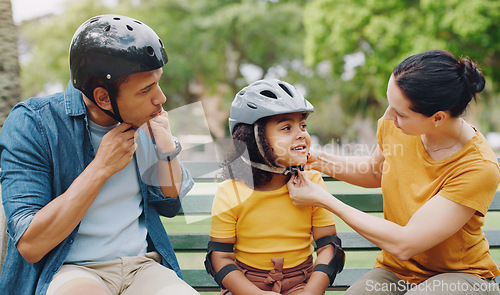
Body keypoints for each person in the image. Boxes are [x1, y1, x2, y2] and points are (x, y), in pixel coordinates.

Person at [0, 15, 199, 295]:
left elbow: (170, 205)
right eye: (146, 90)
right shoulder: (34, 124)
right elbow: (31, 245)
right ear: (103, 98)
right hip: (71, 270)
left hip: (143, 267)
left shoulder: (142, 120)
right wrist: (101, 168)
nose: (161, 99)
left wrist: (166, 149)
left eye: (157, 83)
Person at [287, 49, 500, 294]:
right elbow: (375, 171)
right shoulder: (400, 127)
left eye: (400, 113)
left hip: (461, 277)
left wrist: (323, 199)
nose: (388, 117)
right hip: (397, 272)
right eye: (390, 105)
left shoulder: (478, 166)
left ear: (438, 118)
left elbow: (405, 243)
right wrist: (315, 159)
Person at [205, 79, 345, 295]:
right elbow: (220, 258)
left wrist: (310, 292)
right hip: (247, 287)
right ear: (254, 139)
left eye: (303, 125)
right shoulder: (230, 192)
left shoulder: (312, 183)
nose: (301, 134)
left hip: (303, 284)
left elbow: (328, 247)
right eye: (286, 128)